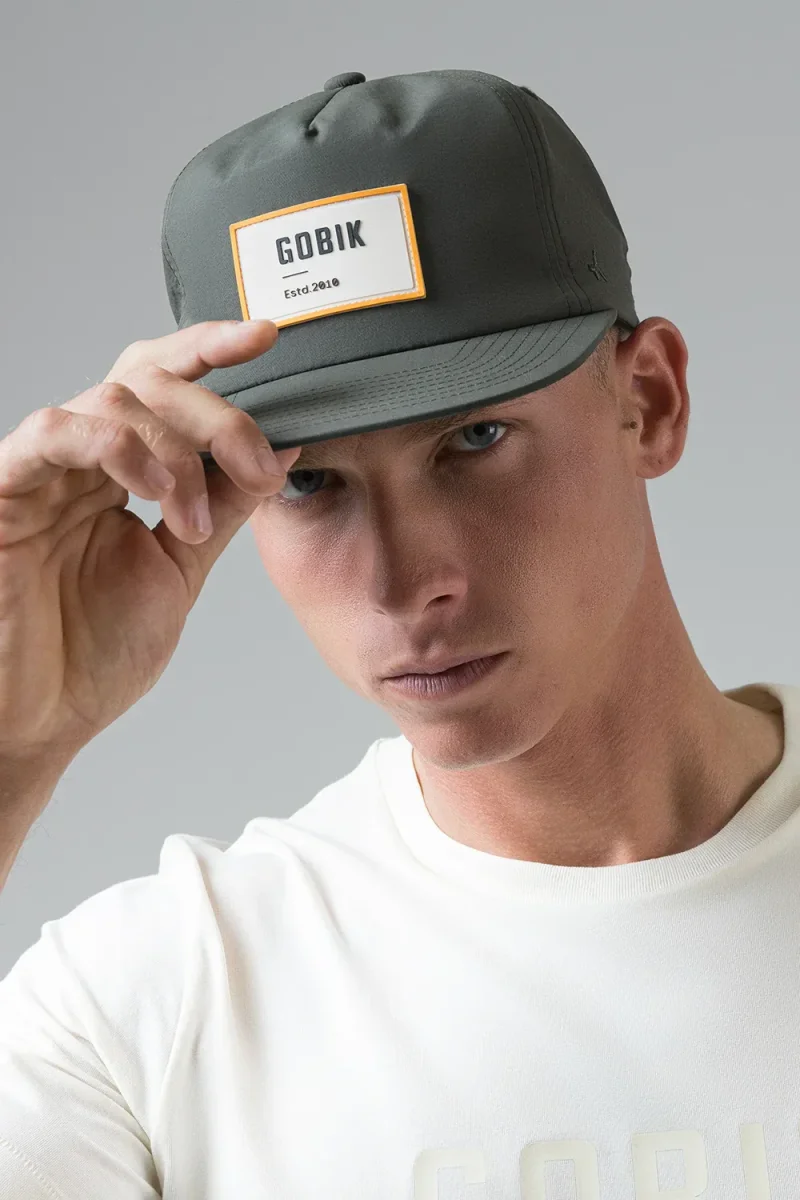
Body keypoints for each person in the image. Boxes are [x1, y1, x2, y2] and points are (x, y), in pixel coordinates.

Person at [0, 68, 795, 1199]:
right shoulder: (156, 1002)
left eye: (473, 439)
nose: (402, 581)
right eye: (307, 480)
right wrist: (11, 748)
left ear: (649, 401)